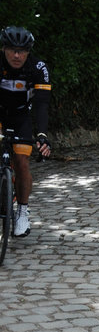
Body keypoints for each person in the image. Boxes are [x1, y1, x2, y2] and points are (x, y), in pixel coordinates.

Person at [0, 26, 51, 237]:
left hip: (21, 116)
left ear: (29, 51)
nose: (17, 55)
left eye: (22, 50)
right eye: (12, 50)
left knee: (21, 161)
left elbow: (41, 105)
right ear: (3, 49)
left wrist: (42, 135)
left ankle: (22, 211)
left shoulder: (37, 67)